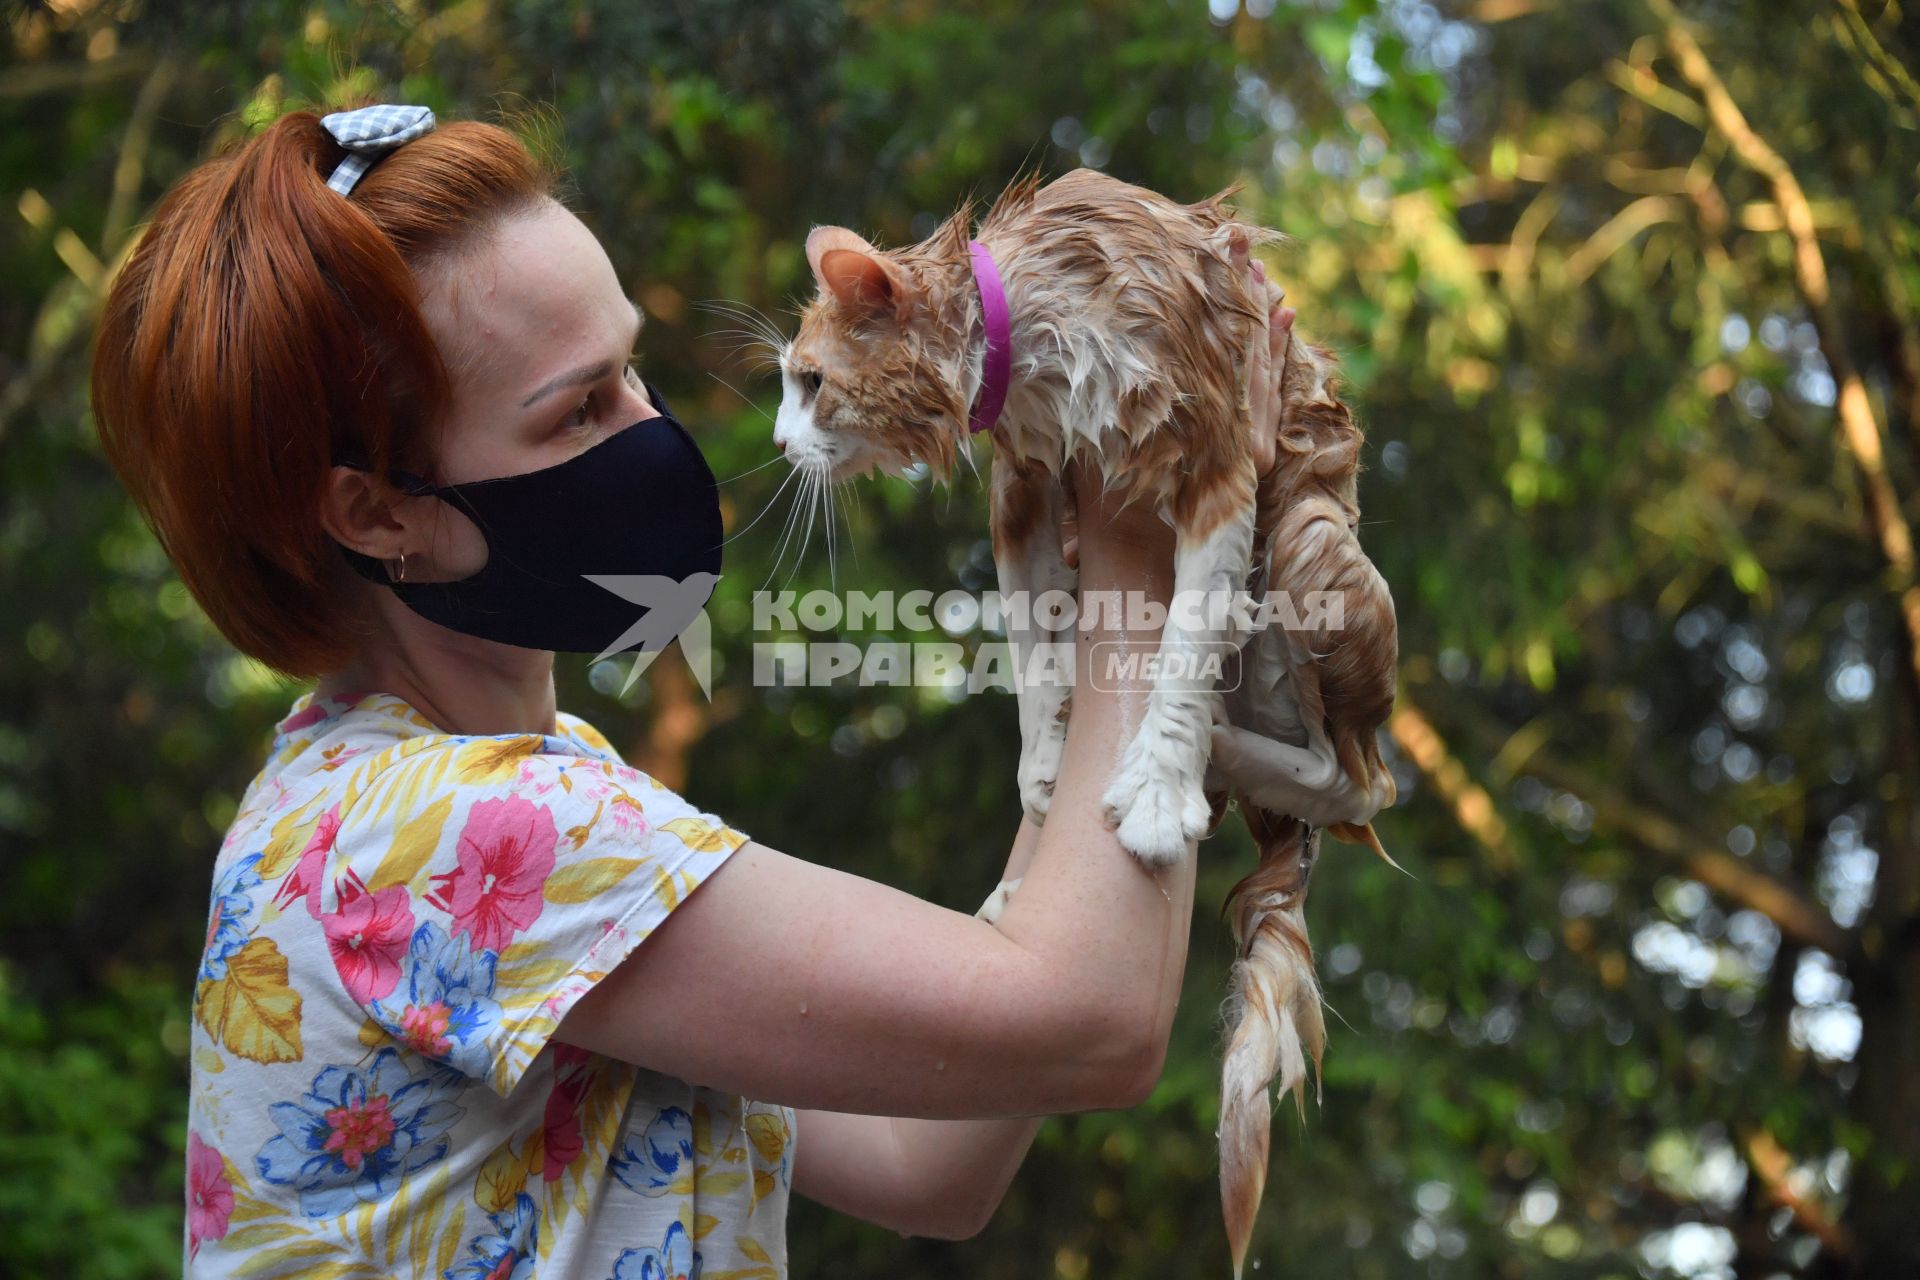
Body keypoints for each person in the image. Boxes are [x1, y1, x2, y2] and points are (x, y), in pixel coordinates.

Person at [90, 102, 1296, 1278]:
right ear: (375, 511)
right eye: (580, 408)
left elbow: (924, 1159)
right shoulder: (473, 840)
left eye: (632, 370)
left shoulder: (404, 798)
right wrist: (1155, 487)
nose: (653, 430)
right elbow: (1092, 1017)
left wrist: (1077, 695)